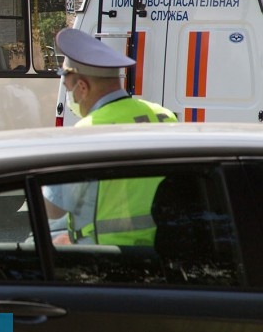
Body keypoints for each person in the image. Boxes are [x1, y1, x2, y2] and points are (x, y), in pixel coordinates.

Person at [43, 28, 177, 245]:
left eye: (68, 89)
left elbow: (53, 209)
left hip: (106, 258)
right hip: (161, 251)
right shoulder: (163, 115)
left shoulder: (87, 132)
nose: (69, 97)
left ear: (82, 87)